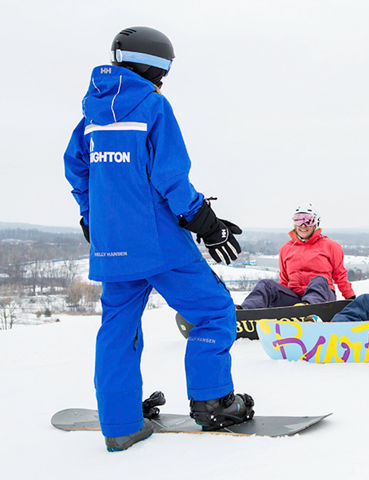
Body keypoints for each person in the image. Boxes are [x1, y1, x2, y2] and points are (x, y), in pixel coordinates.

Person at [63, 27, 253, 452]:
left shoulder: (90, 118)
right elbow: (170, 176)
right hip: (160, 244)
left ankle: (121, 423)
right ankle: (213, 403)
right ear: (157, 65)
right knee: (212, 310)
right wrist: (205, 221)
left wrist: (92, 218)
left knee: (118, 327)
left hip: (112, 247)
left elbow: (77, 172)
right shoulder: (152, 107)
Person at [239, 202, 355, 309]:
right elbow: (284, 280)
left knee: (319, 280)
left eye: (308, 220)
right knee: (266, 284)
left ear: (316, 223)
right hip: (294, 299)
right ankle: (244, 311)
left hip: (322, 297)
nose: (303, 225)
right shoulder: (286, 249)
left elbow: (340, 276)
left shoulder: (330, 246)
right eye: (299, 220)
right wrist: (277, 294)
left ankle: (306, 308)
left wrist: (351, 299)